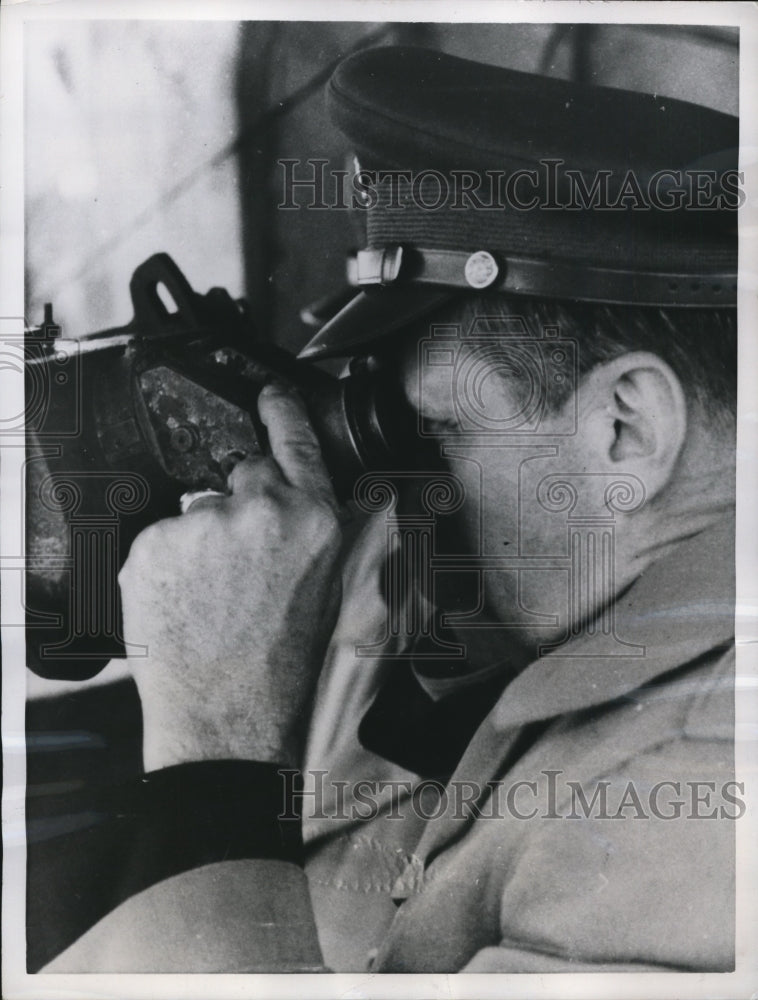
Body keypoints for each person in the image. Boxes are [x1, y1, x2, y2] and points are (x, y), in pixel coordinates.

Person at [43, 45, 738, 973]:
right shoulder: (591, 638)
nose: (408, 494)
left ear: (625, 429)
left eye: (441, 432)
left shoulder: (698, 782)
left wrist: (219, 755)